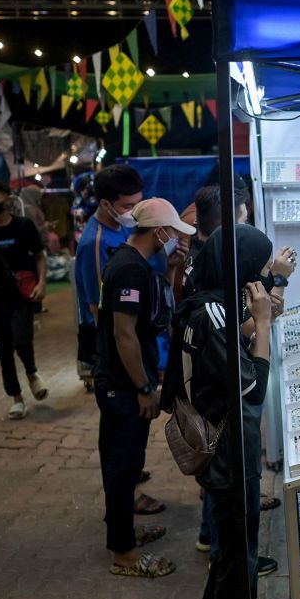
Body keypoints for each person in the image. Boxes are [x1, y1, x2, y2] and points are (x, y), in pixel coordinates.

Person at [160, 225, 283, 599]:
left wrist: (255, 320)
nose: (265, 274)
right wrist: (264, 324)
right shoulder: (211, 313)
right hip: (228, 451)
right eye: (261, 268)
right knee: (236, 551)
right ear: (242, 268)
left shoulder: (210, 301)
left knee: (232, 543)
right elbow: (252, 389)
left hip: (224, 445)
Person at [94, 197, 193, 578]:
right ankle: (124, 555)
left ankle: (123, 534)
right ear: (160, 232)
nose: (176, 240)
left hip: (120, 384)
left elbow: (149, 319)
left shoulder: (132, 262)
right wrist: (143, 386)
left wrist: (170, 271)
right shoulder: (129, 270)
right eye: (173, 234)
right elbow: (124, 335)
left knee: (121, 464)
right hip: (122, 387)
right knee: (124, 467)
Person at [0, 179, 49, 420]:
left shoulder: (24, 226)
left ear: (6, 197)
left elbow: (40, 257)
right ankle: (16, 397)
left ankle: (32, 372)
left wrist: (42, 282)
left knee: (22, 339)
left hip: (23, 294)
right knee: (4, 348)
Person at [74, 165, 144, 357]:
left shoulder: (123, 225)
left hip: (126, 328)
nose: (135, 211)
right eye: (128, 207)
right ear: (106, 204)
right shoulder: (94, 243)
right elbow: (98, 307)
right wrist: (115, 352)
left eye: (138, 203)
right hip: (108, 337)